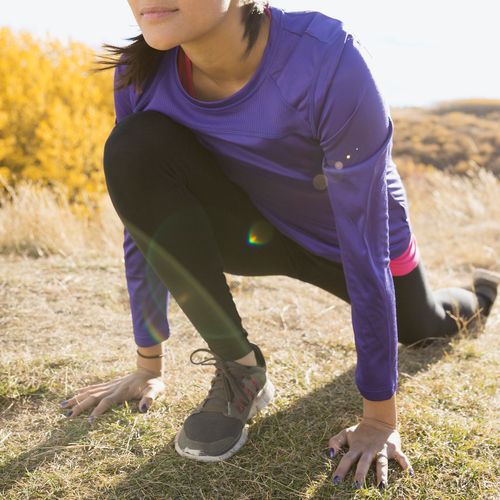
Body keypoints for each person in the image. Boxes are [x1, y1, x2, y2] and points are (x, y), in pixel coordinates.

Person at [60, 0, 499, 490]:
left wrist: (379, 419)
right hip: (255, 233)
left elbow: (365, 246)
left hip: (347, 241)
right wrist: (147, 364)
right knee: (131, 147)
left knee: (427, 328)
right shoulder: (138, 73)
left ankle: (480, 294)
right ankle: (242, 371)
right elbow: (142, 218)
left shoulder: (330, 59)